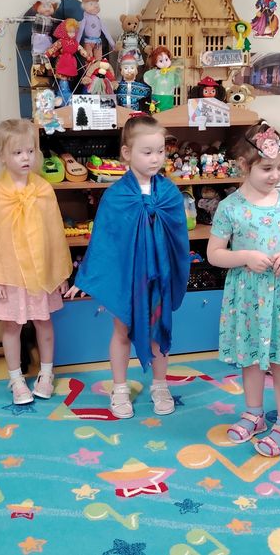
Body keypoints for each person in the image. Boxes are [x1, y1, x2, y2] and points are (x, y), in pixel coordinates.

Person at [66, 115, 190, 418]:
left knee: (158, 330)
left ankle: (159, 385)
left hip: (159, 276)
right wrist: (86, 276)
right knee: (121, 331)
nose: (156, 158)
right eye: (147, 152)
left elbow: (178, 238)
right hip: (127, 278)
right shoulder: (116, 195)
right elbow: (104, 241)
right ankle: (119, 388)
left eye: (160, 151)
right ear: (127, 153)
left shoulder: (170, 193)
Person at [206, 123, 280, 457]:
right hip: (248, 295)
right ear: (244, 165)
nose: (276, 175)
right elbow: (214, 254)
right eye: (267, 168)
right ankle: (254, 414)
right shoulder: (230, 207)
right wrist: (245, 257)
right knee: (250, 359)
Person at [0, 120, 72, 404]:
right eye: (18, 152)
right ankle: (16, 378)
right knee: (11, 327)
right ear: (2, 155)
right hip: (10, 274)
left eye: (30, 151)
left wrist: (60, 271)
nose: (26, 158)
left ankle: (46, 373)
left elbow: (55, 233)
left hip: (41, 273)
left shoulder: (43, 189)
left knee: (44, 322)